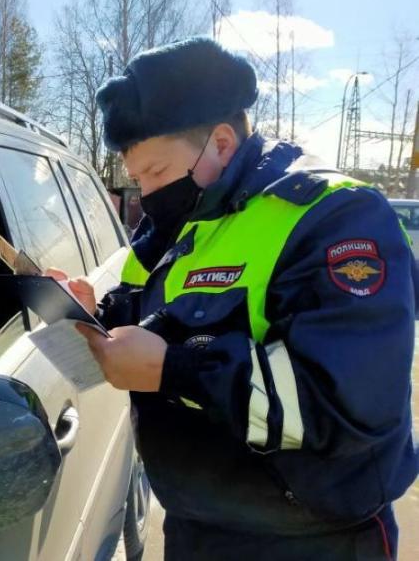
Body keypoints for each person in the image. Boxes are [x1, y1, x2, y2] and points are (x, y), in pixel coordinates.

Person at [59, 37, 418, 560]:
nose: (148, 193)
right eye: (137, 179)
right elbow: (144, 309)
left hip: (312, 540)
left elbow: (346, 407)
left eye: (156, 172)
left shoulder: (334, 217)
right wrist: (90, 311)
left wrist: (175, 370)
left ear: (222, 144)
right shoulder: (179, 221)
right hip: (196, 526)